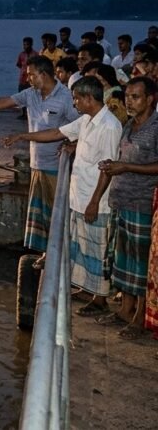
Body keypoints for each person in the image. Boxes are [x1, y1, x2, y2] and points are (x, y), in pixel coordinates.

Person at [4, 77, 122, 315]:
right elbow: (57, 132)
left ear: (90, 98)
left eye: (77, 98)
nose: (74, 102)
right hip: (78, 196)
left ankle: (100, 299)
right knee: (81, 246)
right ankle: (87, 290)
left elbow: (108, 169)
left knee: (96, 250)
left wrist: (94, 201)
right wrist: (23, 136)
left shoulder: (109, 126)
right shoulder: (87, 120)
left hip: (93, 201)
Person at [0, 56, 78, 255]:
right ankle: (47, 254)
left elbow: (80, 126)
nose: (27, 78)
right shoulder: (30, 94)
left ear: (44, 74)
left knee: (58, 214)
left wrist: (73, 144)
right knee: (41, 216)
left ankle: (62, 255)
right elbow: (4, 102)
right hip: (36, 165)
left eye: (31, 74)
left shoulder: (66, 98)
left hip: (57, 167)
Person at [96, 77, 158, 337]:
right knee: (123, 260)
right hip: (121, 199)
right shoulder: (129, 124)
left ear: (150, 98)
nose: (129, 102)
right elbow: (125, 157)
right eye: (128, 97)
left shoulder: (156, 127)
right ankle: (125, 308)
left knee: (141, 264)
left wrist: (126, 167)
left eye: (135, 97)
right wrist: (114, 164)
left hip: (142, 203)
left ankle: (140, 318)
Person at [16, 37, 37, 119]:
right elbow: (19, 65)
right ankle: (23, 113)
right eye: (24, 45)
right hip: (22, 79)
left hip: (31, 79)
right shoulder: (21, 54)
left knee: (32, 97)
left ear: (31, 44)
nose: (25, 46)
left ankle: (30, 113)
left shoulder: (35, 54)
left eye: (27, 44)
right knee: (21, 96)